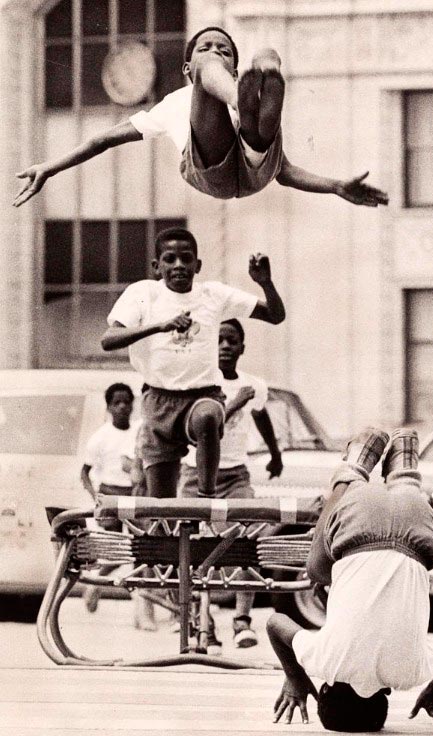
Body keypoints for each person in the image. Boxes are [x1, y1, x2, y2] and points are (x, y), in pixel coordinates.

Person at [13, 27, 389, 208]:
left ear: (234, 64)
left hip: (257, 163)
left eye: (224, 51)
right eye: (206, 49)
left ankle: (266, 74)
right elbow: (101, 140)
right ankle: (245, 98)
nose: (215, 51)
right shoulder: (174, 103)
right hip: (211, 172)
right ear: (187, 67)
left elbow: (283, 172)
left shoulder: (231, 82)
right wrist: (49, 166)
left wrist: (336, 186)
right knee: (242, 102)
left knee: (266, 59)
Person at [267, 427, 433, 731]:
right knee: (316, 571)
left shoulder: (409, 674)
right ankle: (354, 468)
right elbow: (275, 623)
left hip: (419, 523)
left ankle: (405, 470)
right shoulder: (323, 662)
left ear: (386, 695)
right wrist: (295, 677)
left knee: (410, 543)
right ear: (326, 687)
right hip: (359, 516)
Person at [101, 226, 285, 501]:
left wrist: (265, 283)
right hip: (159, 401)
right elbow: (108, 339)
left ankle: (206, 497)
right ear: (156, 266)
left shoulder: (213, 294)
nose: (179, 266)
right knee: (161, 506)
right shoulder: (143, 293)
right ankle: (167, 534)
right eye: (170, 259)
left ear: (197, 265)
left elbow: (274, 315)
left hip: (201, 396)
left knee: (209, 416)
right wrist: (159, 327)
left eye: (186, 259)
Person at [179, 318, 283, 651]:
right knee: (191, 547)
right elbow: (203, 429)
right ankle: (203, 623)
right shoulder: (198, 383)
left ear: (242, 347)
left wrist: (275, 453)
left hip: (235, 473)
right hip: (196, 475)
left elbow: (261, 414)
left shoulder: (253, 384)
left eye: (232, 340)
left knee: (245, 540)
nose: (225, 346)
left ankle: (241, 620)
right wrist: (237, 400)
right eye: (220, 340)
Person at [80, 382, 149, 619]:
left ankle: (142, 612)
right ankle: (95, 584)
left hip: (135, 496)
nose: (122, 407)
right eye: (116, 403)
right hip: (110, 496)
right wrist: (95, 497)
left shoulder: (139, 430)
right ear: (108, 407)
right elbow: (84, 473)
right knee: (118, 552)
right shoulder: (101, 437)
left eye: (127, 402)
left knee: (141, 552)